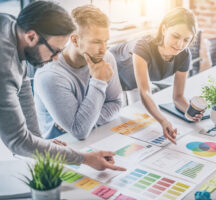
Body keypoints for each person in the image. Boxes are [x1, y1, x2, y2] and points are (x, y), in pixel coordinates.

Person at [0, 1, 125, 172]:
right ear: (31, 37)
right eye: (55, 51)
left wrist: (39, 140)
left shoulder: (11, 26)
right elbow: (18, 142)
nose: (56, 58)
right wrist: (84, 158)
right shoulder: (5, 66)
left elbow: (23, 88)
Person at [110, 7, 203, 144]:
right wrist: (163, 120)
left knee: (138, 124)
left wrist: (189, 111)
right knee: (111, 122)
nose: (179, 44)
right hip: (112, 72)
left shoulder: (184, 55)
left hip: (134, 83)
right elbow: (145, 92)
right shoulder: (144, 46)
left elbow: (177, 97)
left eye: (186, 40)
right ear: (164, 29)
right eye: (175, 36)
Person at [34, 5, 122, 140]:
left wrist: (85, 119)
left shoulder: (106, 58)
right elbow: (79, 131)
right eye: (97, 42)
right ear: (75, 40)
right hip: (60, 147)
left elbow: (116, 104)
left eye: (106, 41)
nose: (103, 50)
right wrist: (99, 81)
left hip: (96, 136)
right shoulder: (50, 75)